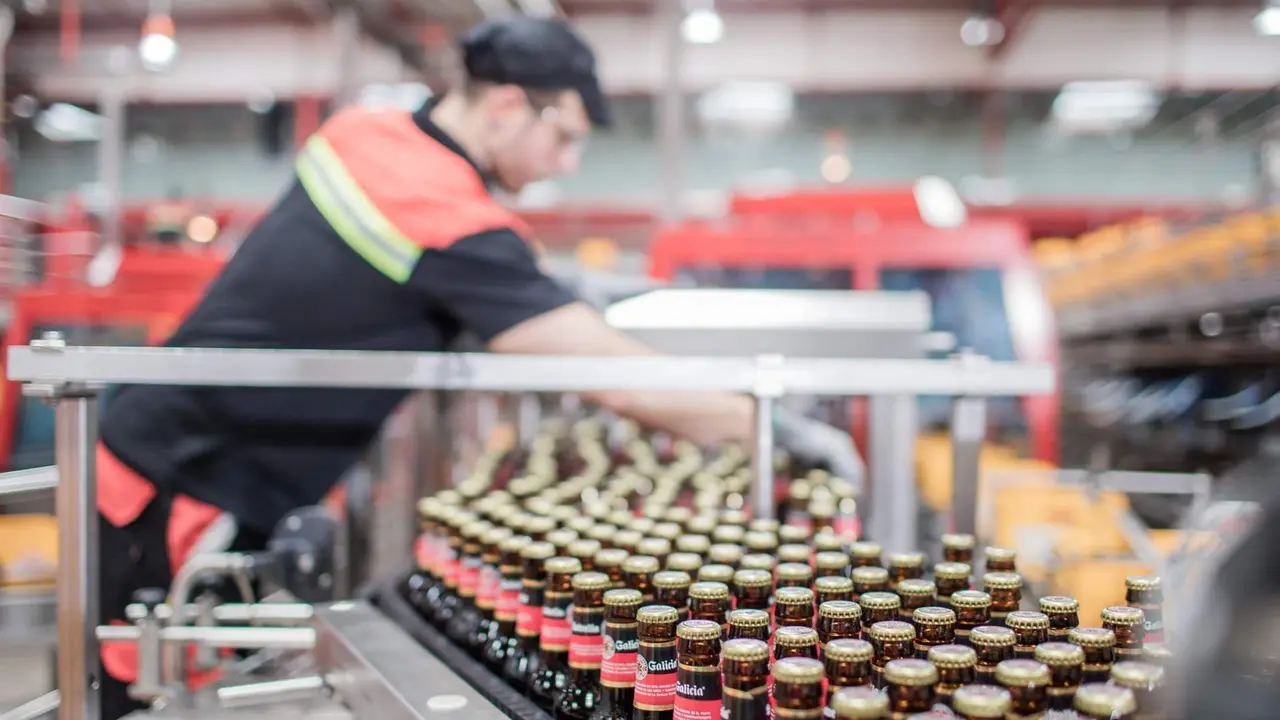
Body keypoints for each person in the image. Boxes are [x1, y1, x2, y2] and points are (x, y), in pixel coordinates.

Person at [94, 15, 863, 719]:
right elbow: (618, 379)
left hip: (183, 452)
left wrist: (561, 289)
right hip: (179, 486)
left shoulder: (370, 135)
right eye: (564, 135)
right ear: (506, 108)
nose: (567, 160)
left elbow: (460, 278)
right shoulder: (447, 215)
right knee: (154, 691)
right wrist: (772, 425)